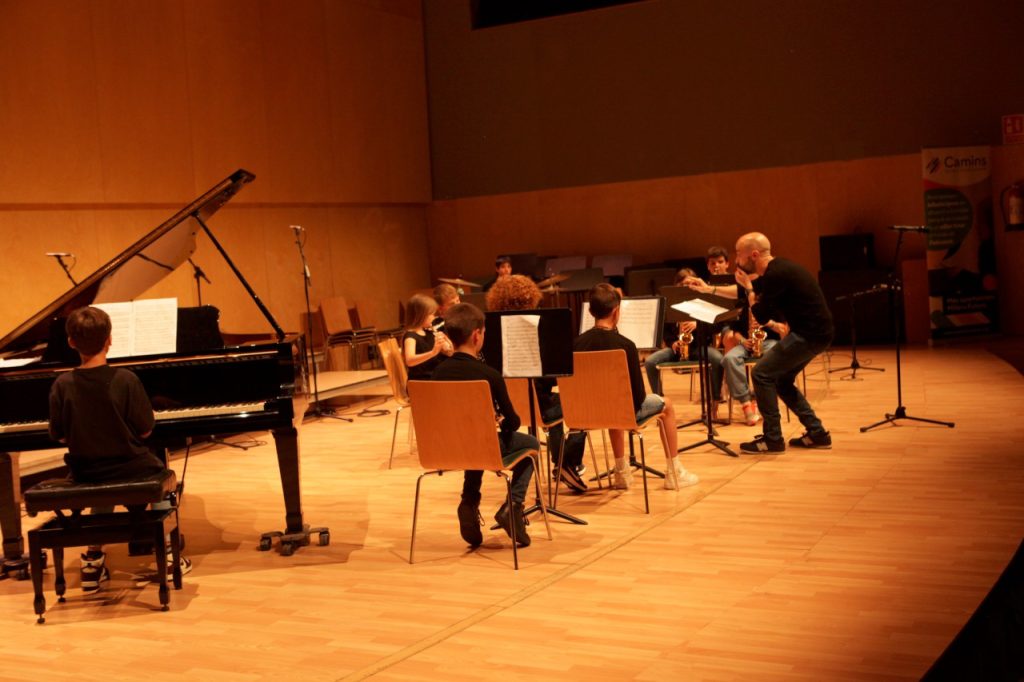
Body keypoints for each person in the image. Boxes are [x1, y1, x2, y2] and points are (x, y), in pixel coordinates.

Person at [48, 306, 190, 593]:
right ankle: (168, 551)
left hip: (85, 472)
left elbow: (60, 436)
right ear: (110, 340)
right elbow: (146, 430)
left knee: (100, 475)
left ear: (71, 342)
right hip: (130, 466)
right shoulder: (126, 380)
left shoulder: (62, 384)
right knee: (161, 473)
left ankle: (92, 561)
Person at [430, 303, 539, 547]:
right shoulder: (488, 374)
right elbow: (513, 422)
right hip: (479, 444)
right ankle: (513, 505)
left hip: (446, 448)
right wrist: (499, 421)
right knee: (531, 445)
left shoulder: (437, 374)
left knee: (476, 439)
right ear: (477, 335)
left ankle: (469, 502)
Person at [571, 284, 699, 490]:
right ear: (616, 311)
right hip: (620, 412)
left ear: (590, 312)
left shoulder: (576, 345)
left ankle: (621, 473)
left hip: (586, 414)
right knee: (666, 405)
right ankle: (675, 473)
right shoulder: (626, 345)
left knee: (612, 403)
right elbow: (638, 397)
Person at [486, 275, 587, 493]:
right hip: (539, 406)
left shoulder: (493, 334)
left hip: (508, 409)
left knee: (555, 407)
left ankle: (562, 463)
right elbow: (551, 378)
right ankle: (565, 463)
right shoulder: (538, 329)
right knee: (580, 406)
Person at [733, 232, 833, 453]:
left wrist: (749, 288)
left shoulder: (775, 274)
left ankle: (772, 439)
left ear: (754, 254)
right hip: (817, 333)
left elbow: (760, 314)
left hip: (809, 334)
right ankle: (817, 433)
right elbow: (764, 301)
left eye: (739, 254)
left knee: (761, 373)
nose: (736, 260)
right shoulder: (779, 269)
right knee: (782, 381)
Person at [682, 246, 780, 425]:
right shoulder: (709, 284)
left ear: (727, 263)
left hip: (745, 328)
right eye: (713, 263)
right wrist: (741, 338)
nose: (717, 266)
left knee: (729, 342)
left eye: (721, 262)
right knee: (728, 345)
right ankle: (731, 396)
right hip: (726, 326)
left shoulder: (748, 287)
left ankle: (749, 394)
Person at [643, 267, 704, 397]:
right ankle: (659, 399)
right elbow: (665, 331)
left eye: (690, 284)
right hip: (676, 349)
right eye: (682, 284)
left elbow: (711, 326)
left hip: (697, 348)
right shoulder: (670, 304)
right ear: (676, 286)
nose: (686, 287)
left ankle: (715, 397)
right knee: (650, 363)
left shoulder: (701, 302)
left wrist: (697, 323)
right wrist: (672, 343)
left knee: (717, 358)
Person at [402, 293, 452, 380]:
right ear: (421, 315)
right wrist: (433, 352)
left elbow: (450, 353)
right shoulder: (410, 336)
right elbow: (409, 361)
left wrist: (446, 342)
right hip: (421, 382)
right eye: (432, 314)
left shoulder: (429, 332)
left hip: (434, 377)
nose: (434, 317)